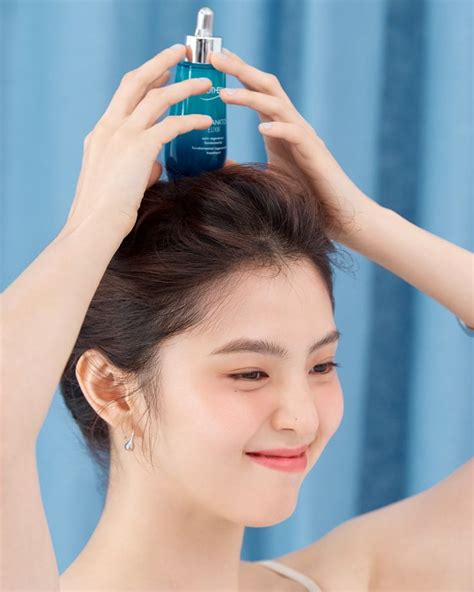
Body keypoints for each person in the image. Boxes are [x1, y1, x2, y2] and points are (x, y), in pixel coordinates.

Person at [2, 44, 472, 592]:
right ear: (109, 388)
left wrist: (360, 221)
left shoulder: (363, 578)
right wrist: (91, 229)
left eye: (322, 366)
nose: (302, 417)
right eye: (250, 373)